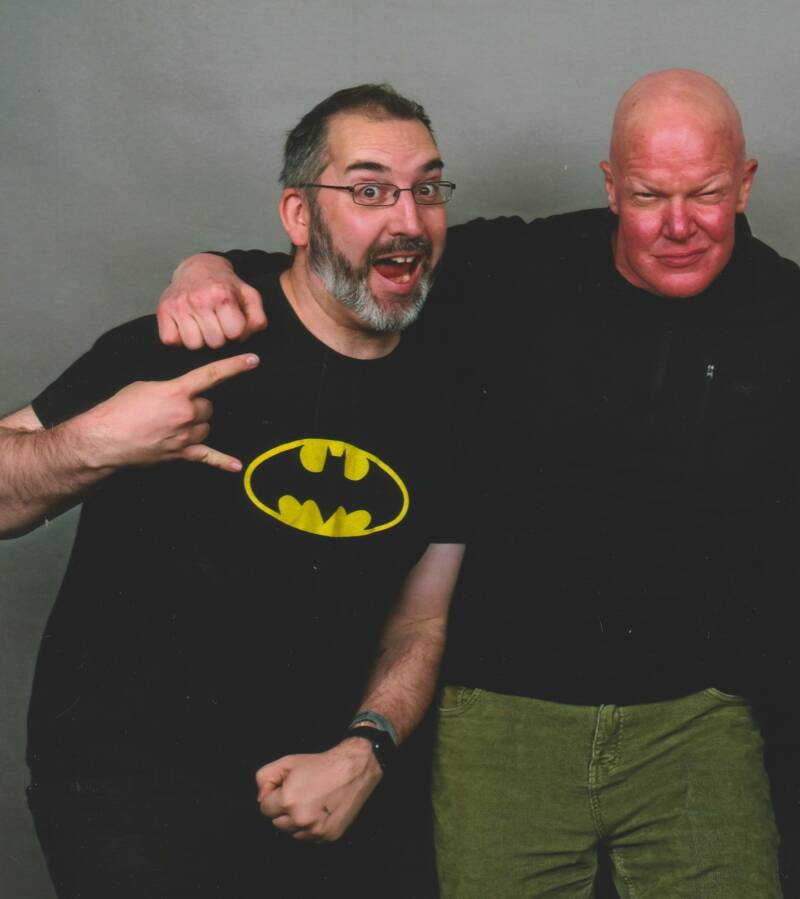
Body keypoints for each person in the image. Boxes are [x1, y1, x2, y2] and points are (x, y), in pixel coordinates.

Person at [159, 69, 800, 898]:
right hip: (503, 708)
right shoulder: (519, 266)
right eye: (648, 195)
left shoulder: (786, 311)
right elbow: (345, 266)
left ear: (745, 184)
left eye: (706, 193)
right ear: (611, 187)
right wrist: (205, 266)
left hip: (697, 716)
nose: (679, 225)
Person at [0, 84, 466, 899]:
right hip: (130, 795)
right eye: (368, 190)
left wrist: (366, 749)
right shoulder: (185, 341)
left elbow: (420, 620)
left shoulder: (451, 400)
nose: (407, 218)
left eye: (426, 188)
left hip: (319, 791)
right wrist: (97, 440)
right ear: (298, 215)